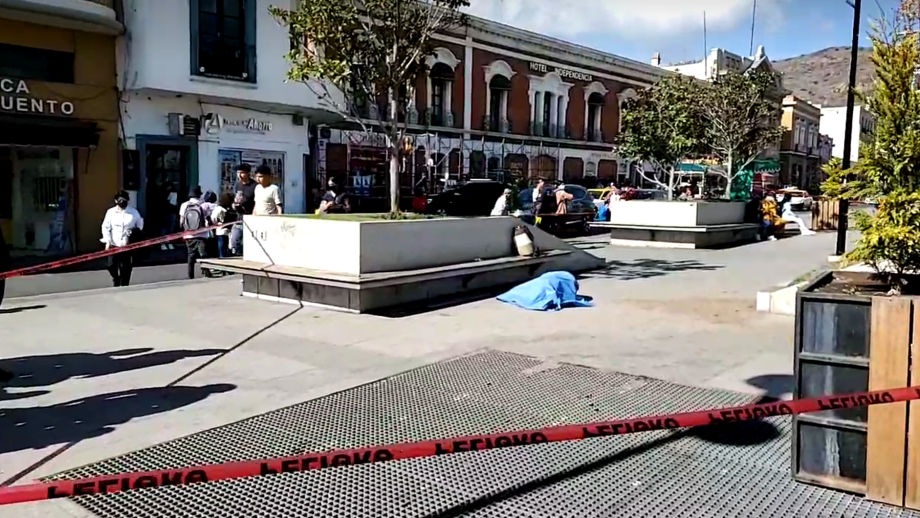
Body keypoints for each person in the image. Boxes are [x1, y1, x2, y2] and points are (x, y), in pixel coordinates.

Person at [100, 191, 144, 287]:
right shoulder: (110, 212)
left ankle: (124, 284)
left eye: (125, 200)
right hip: (114, 243)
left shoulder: (133, 212)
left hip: (127, 244)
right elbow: (105, 227)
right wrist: (107, 241)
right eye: (120, 200)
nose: (122, 202)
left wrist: (134, 232)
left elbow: (140, 225)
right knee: (110, 265)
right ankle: (116, 278)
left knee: (126, 266)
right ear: (116, 201)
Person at [180, 186, 211, 279]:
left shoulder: (184, 205)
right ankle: (206, 273)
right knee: (203, 255)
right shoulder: (203, 205)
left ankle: (190, 276)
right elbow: (207, 219)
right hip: (201, 234)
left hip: (188, 235)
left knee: (190, 255)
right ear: (199, 195)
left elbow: (181, 221)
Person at [211, 193, 238, 258]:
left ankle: (222, 258)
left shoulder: (219, 208)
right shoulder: (231, 209)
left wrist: (216, 224)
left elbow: (213, 218)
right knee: (226, 247)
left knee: (221, 247)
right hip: (229, 230)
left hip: (220, 229)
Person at [160, 183, 178, 251]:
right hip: (168, 213)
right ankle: (165, 243)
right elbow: (173, 204)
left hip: (168, 212)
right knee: (167, 228)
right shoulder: (173, 193)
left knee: (167, 228)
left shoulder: (172, 193)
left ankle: (166, 243)